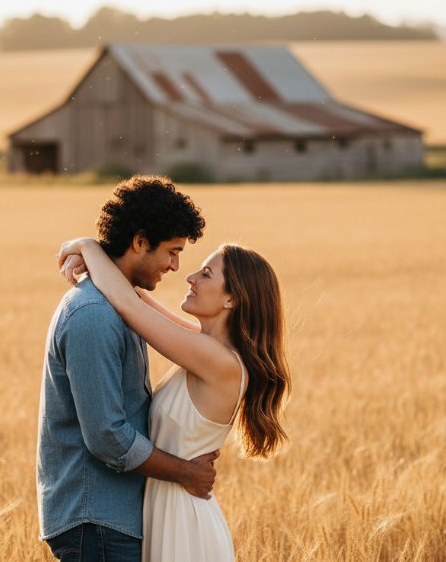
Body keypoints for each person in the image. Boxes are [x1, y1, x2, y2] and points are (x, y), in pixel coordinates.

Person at [56, 231, 291, 561]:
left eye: (206, 274)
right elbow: (134, 297)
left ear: (231, 300)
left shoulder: (219, 362)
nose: (191, 277)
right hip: (169, 507)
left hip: (185, 521)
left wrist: (86, 246)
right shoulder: (207, 348)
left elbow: (127, 306)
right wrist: (97, 263)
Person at [37, 176, 215, 562]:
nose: (175, 265)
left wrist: (88, 247)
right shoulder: (94, 315)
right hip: (98, 519)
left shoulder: (121, 305)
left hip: (111, 519)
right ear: (139, 242)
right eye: (172, 251)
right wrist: (186, 472)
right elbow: (107, 437)